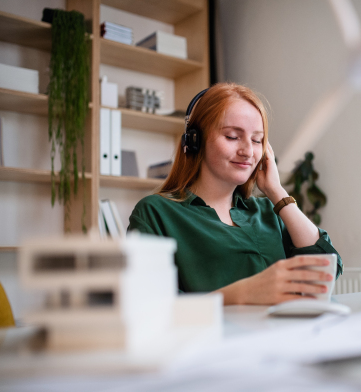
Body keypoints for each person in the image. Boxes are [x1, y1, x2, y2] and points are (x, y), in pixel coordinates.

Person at [127, 82, 343, 305]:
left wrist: (276, 191)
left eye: (257, 140)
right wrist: (240, 294)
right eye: (232, 136)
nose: (248, 151)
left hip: (283, 337)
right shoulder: (155, 212)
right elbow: (150, 306)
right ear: (195, 141)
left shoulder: (269, 210)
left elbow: (327, 270)